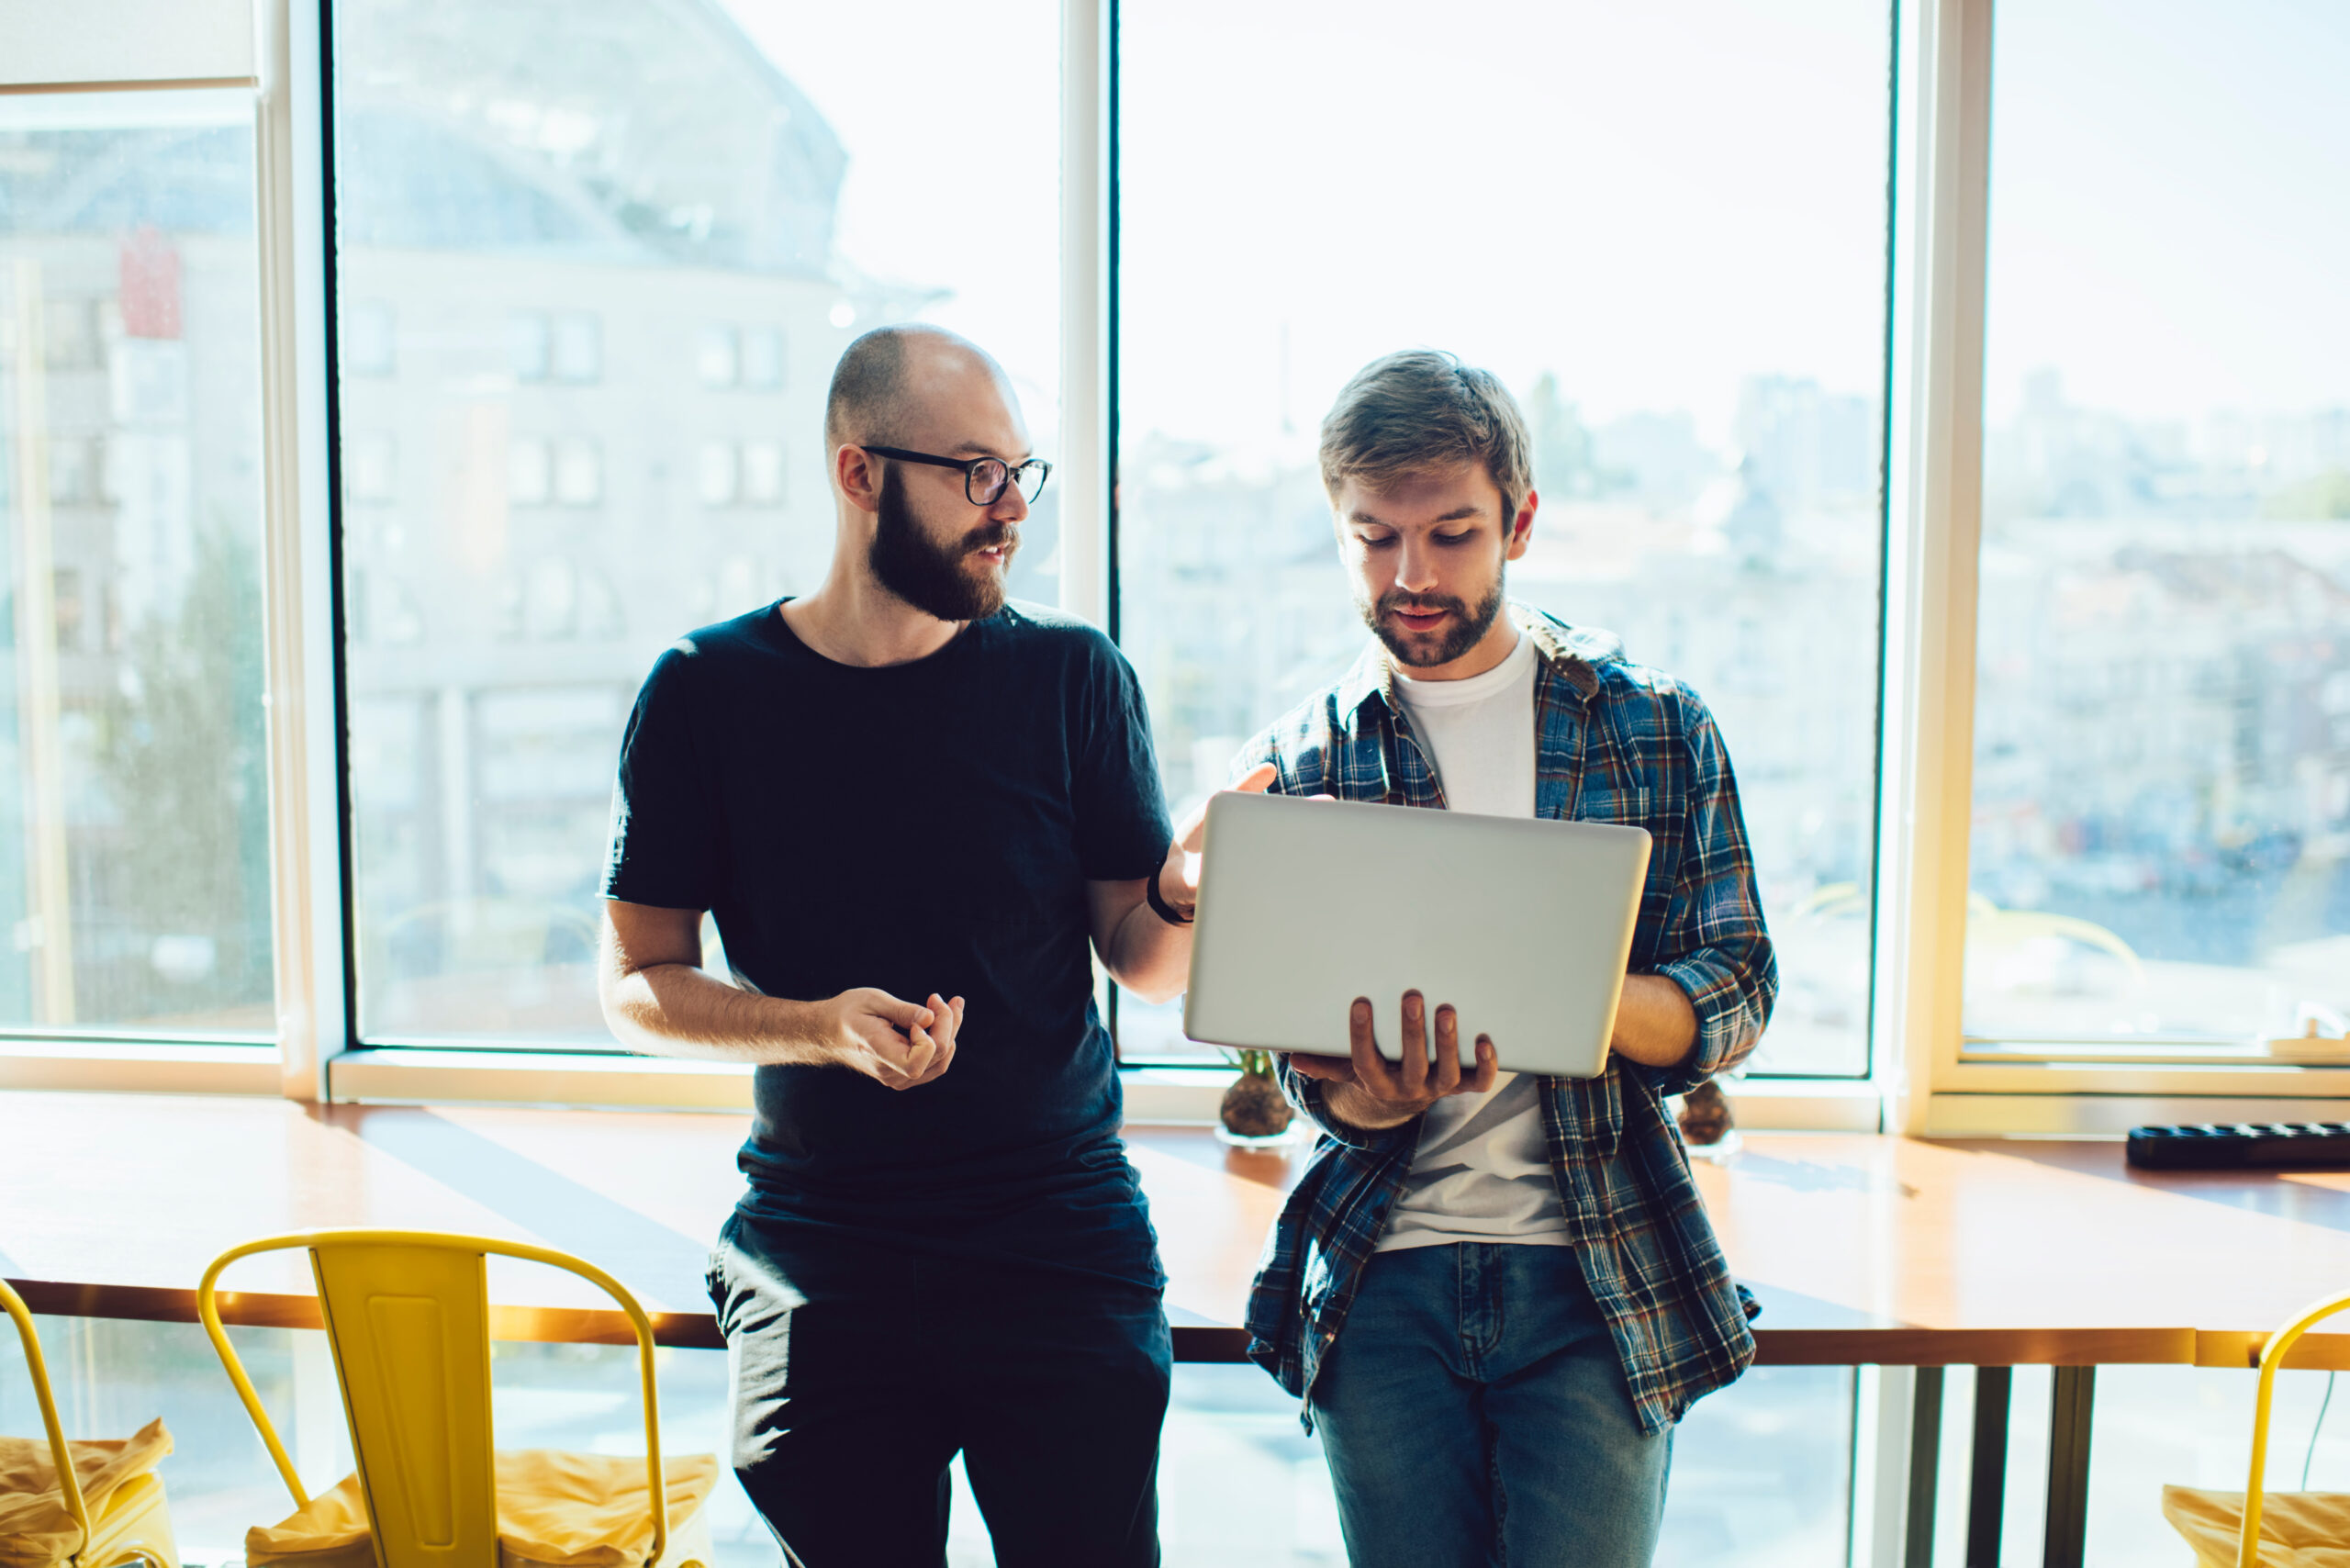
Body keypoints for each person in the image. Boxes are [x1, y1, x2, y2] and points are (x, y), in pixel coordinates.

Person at [598, 324, 1258, 1568]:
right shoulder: (704, 690)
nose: (1011, 510)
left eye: (1020, 472)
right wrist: (812, 1026)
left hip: (1057, 1231)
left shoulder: (1073, 676)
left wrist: (1180, 891)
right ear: (859, 476)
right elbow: (636, 982)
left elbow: (1142, 958)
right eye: (974, 473)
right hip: (819, 1240)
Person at [1237, 350, 1777, 1568]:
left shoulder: (1650, 720)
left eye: (1452, 533)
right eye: (1373, 538)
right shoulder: (1303, 756)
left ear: (1521, 522)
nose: (1411, 575)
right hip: (1382, 1279)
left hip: (1598, 1275)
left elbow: (1740, 985)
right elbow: (1291, 1062)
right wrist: (1366, 1095)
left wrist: (1572, 996)